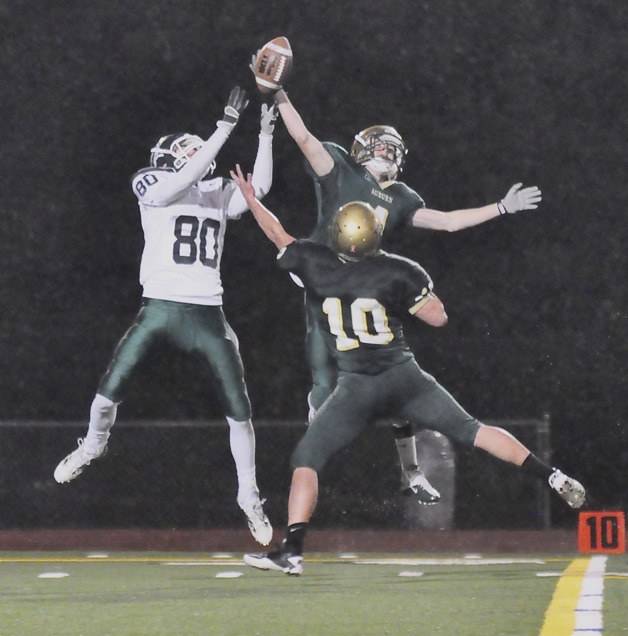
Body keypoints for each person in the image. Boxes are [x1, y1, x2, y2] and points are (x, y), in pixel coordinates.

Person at [229, 164, 585, 575]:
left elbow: (278, 234)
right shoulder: (400, 270)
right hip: (404, 378)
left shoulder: (313, 262)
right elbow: (438, 318)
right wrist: (403, 298)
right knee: (474, 430)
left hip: (356, 386)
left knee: (307, 459)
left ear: (338, 233)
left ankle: (292, 550)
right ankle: (552, 475)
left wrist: (252, 198)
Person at [269, 87, 542, 504]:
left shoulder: (401, 197)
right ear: (362, 149)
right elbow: (304, 138)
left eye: (393, 149)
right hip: (325, 281)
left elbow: (448, 222)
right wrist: (279, 93)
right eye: (380, 145)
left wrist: (501, 208)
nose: (387, 153)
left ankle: (409, 472)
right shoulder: (340, 168)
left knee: (393, 380)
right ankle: (323, 448)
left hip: (370, 288)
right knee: (324, 384)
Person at [53, 87, 276, 546]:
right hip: (158, 306)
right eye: (188, 148)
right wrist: (223, 127)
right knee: (106, 393)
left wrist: (265, 136)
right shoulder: (150, 182)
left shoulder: (214, 191)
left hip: (208, 311)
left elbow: (259, 191)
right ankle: (93, 443)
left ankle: (248, 495)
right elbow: (179, 181)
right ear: (169, 156)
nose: (198, 153)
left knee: (240, 411)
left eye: (200, 147)